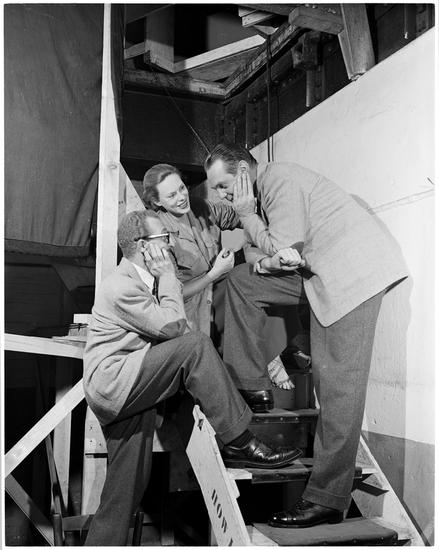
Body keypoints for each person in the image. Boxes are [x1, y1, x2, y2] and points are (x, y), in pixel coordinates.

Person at [204, 143, 408, 528]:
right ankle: (253, 385)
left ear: (245, 170)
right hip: (319, 273)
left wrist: (249, 219)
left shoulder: (279, 180)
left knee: (338, 389)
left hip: (352, 276)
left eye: (223, 185)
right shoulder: (261, 196)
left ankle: (326, 499)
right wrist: (260, 248)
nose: (221, 194)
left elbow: (282, 248)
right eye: (216, 188)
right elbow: (261, 256)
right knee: (242, 281)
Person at [82, 209, 302, 545]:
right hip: (117, 383)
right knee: (195, 346)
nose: (170, 244)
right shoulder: (121, 286)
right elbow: (174, 328)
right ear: (144, 246)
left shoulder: (140, 280)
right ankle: (241, 441)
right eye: (164, 238)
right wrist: (169, 275)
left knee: (124, 493)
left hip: (131, 385)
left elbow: (169, 325)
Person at [142, 163, 295, 407]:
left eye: (181, 188)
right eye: (171, 195)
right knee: (238, 284)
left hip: (221, 286)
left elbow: (241, 216)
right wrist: (214, 274)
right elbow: (170, 294)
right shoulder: (157, 231)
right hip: (194, 307)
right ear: (156, 202)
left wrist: (262, 234)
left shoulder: (201, 207)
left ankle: (276, 351)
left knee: (258, 274)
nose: (181, 197)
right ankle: (270, 359)